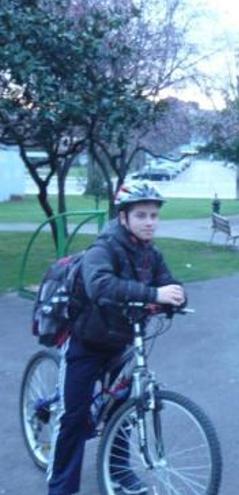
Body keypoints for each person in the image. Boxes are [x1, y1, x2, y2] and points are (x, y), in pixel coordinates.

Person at [48, 182, 186, 495]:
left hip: (123, 341)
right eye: (141, 215)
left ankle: (120, 475)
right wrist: (153, 294)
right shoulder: (104, 248)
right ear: (123, 218)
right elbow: (100, 285)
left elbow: (169, 283)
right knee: (74, 417)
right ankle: (61, 488)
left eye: (154, 215)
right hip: (86, 341)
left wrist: (178, 296)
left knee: (123, 412)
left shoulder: (152, 254)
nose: (150, 221)